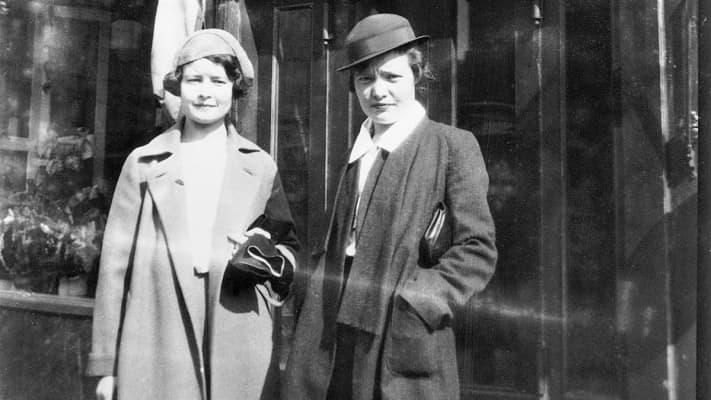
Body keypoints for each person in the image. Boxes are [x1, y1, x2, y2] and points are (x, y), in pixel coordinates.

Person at [284, 13, 497, 400]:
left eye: (392, 77)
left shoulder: (452, 146)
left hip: (401, 332)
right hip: (334, 334)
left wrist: (417, 302)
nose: (377, 91)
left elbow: (476, 250)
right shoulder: (356, 153)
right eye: (365, 79)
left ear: (416, 74)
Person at [86, 29, 299, 400]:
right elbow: (114, 268)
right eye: (194, 80)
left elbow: (287, 250)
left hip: (236, 331)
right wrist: (106, 365)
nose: (205, 92)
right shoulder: (144, 163)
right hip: (159, 329)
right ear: (178, 87)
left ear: (234, 88)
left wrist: (266, 259)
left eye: (217, 81)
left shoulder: (261, 167)